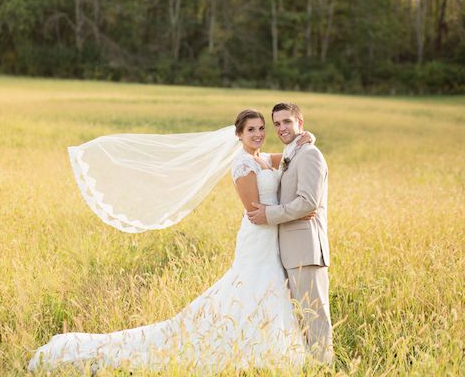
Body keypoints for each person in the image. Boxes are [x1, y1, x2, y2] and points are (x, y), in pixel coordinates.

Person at [28, 109, 316, 373]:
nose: (258, 134)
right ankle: (243, 343)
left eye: (261, 129)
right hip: (258, 236)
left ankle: (267, 344)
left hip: (272, 237)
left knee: (269, 287)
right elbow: (256, 212)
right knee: (254, 285)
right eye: (251, 130)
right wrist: (295, 213)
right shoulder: (242, 164)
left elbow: (291, 158)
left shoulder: (263, 159)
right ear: (238, 135)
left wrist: (306, 139)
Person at [247, 103, 333, 364]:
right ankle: (310, 365)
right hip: (290, 249)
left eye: (287, 122)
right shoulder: (293, 152)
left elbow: (308, 202)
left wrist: (269, 214)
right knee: (301, 318)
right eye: (277, 124)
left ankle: (324, 368)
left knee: (315, 316)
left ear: (300, 124)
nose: (282, 128)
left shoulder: (309, 154)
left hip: (306, 249)